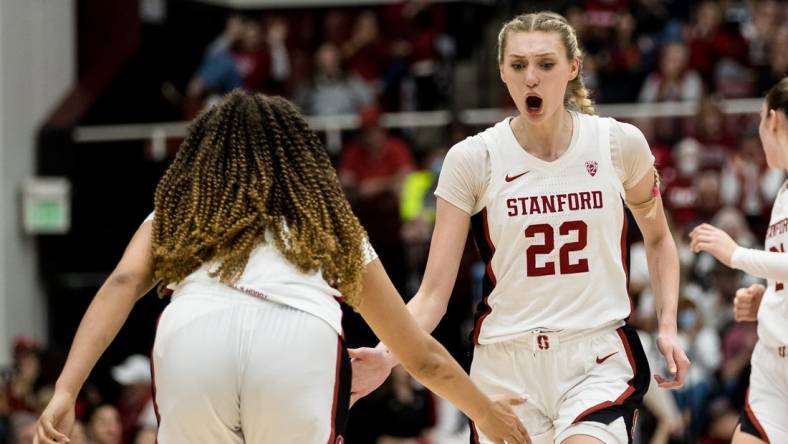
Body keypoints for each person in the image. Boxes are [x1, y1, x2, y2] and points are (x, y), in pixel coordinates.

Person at [33, 90, 528, 444]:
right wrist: (485, 412)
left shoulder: (184, 210)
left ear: (207, 157)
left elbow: (121, 283)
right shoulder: (325, 221)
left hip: (193, 336)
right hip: (295, 342)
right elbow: (417, 351)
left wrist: (65, 390)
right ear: (298, 159)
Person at [350, 12, 690, 444]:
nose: (531, 78)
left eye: (546, 64)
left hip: (594, 358)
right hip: (505, 366)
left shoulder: (618, 143)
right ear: (502, 74)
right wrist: (385, 356)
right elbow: (433, 295)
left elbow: (659, 238)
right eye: (518, 65)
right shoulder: (472, 159)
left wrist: (666, 325)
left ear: (573, 67)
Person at [690, 77, 788, 444]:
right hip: (772, 369)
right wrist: (771, 302)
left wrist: (736, 255)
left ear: (773, 121)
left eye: (761, 122)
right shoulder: (781, 193)